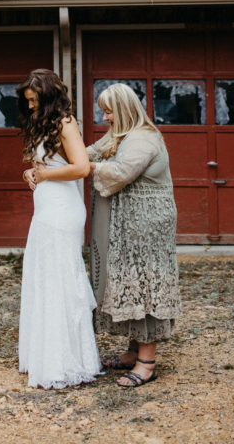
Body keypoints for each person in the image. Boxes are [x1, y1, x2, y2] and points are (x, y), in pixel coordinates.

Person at [88, 83, 181, 388]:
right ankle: (133, 351)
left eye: (109, 111)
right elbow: (92, 151)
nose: (105, 117)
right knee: (128, 282)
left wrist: (87, 166)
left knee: (144, 286)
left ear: (124, 109)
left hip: (146, 226)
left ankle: (147, 363)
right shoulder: (120, 135)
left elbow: (119, 172)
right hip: (129, 225)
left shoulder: (142, 138)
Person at [17, 68, 101, 390]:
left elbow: (81, 167)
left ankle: (64, 362)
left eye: (34, 100)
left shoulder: (65, 122)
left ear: (48, 96)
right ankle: (45, 355)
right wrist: (32, 173)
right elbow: (48, 165)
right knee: (43, 276)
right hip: (46, 208)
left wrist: (45, 175)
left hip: (62, 210)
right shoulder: (43, 123)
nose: (30, 106)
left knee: (58, 280)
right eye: (28, 101)